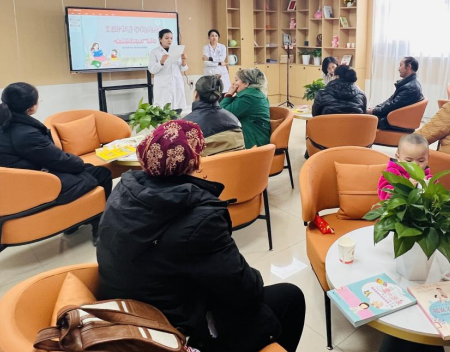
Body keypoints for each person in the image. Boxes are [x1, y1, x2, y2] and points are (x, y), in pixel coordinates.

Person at [97, 120, 306, 352]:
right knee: (290, 298)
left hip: (128, 317)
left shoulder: (123, 191)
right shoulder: (199, 218)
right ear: (195, 160)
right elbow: (245, 290)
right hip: (174, 333)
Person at [0, 82, 112, 206]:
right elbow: (59, 160)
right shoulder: (26, 134)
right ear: (31, 108)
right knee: (101, 173)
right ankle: (100, 218)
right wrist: (79, 162)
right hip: (32, 184)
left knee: (87, 168)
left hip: (8, 181)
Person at [184, 75, 245, 156]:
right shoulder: (235, 121)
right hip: (235, 163)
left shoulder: (184, 126)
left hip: (205, 164)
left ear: (195, 94)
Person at [367, 56, 424, 130]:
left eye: (401, 65)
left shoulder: (410, 88)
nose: (398, 69)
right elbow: (391, 100)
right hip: (396, 117)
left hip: (394, 121)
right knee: (365, 113)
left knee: (363, 118)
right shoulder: (410, 84)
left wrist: (374, 111)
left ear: (409, 67)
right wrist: (376, 108)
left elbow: (393, 106)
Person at [220, 68, 270, 149]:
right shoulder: (256, 93)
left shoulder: (248, 97)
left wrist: (229, 94)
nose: (234, 83)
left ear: (246, 83)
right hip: (259, 137)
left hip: (254, 141)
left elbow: (223, 115)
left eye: (236, 80)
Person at [378, 133, 431, 200]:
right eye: (409, 161)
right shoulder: (391, 174)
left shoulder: (428, 177)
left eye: (421, 161)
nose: (415, 165)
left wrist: (429, 187)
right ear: (398, 157)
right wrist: (406, 187)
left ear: (427, 159)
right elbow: (384, 195)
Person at [149, 29, 188, 110]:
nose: (169, 40)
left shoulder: (176, 50)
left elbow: (182, 68)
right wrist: (161, 62)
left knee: (177, 109)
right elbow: (152, 70)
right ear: (160, 39)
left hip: (176, 83)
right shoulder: (154, 52)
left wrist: (184, 61)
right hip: (163, 85)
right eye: (166, 38)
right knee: (164, 109)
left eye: (171, 38)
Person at [202, 29, 230, 94]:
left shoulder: (222, 47)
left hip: (221, 72)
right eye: (212, 36)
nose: (214, 38)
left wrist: (210, 58)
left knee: (224, 91)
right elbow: (206, 63)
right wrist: (219, 63)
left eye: (216, 36)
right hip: (210, 73)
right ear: (209, 37)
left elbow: (222, 58)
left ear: (218, 37)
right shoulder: (205, 48)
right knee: (211, 93)